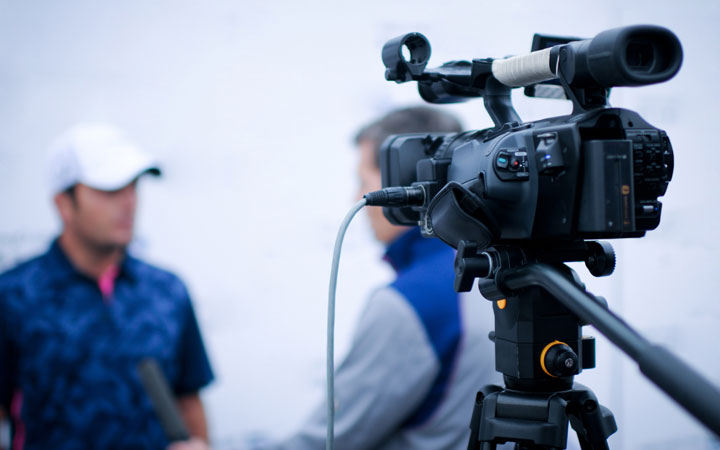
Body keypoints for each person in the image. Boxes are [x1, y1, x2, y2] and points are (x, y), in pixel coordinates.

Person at [264, 106, 501, 449]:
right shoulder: (504, 269)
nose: (354, 198)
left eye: (362, 181)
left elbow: (329, 442)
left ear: (400, 184)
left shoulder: (409, 303)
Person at [0, 124, 214, 449]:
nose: (128, 202)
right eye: (110, 190)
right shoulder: (14, 297)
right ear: (64, 203)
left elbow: (188, 400)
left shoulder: (167, 291)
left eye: (133, 187)